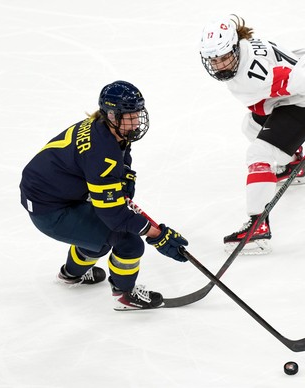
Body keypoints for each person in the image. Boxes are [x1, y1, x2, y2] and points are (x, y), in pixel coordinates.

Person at [19, 80, 189, 310]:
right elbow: (115, 216)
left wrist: (124, 175)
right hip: (49, 210)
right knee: (128, 242)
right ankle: (125, 295)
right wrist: (157, 234)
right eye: (129, 116)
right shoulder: (102, 152)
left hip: (52, 193)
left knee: (98, 240)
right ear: (111, 114)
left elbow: (120, 154)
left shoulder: (104, 127)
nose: (136, 121)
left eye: (138, 113)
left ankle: (71, 274)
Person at [199, 15, 305, 254]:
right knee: (251, 127)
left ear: (234, 47)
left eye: (224, 57)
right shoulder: (243, 50)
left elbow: (296, 79)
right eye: (214, 60)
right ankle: (293, 163)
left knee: (259, 153)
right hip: (290, 92)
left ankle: (258, 225)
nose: (220, 65)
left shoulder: (252, 74)